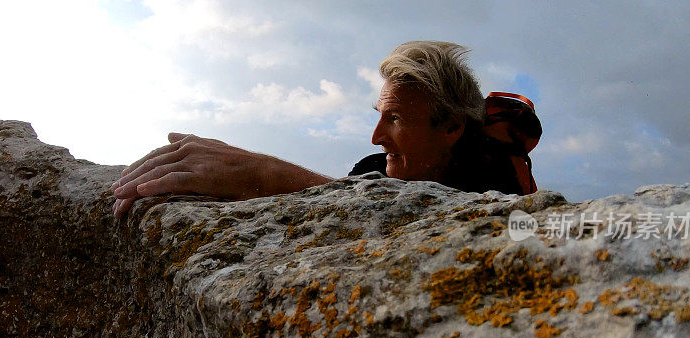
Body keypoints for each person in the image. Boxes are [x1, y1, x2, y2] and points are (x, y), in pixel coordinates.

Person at [112, 41, 526, 217]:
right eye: (379, 115)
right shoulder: (373, 168)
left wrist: (262, 174)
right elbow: (341, 209)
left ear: (452, 126)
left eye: (395, 119)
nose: (377, 136)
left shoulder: (496, 188)